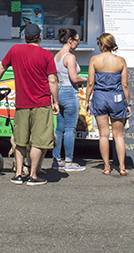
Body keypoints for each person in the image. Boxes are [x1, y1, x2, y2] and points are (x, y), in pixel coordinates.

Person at [0, 24, 59, 186]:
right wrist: (55, 101)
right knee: (38, 140)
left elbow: (1, 69)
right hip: (41, 103)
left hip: (21, 103)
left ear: (24, 37)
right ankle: (33, 176)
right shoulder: (46, 55)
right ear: (40, 37)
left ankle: (19, 174)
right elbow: (53, 80)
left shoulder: (15, 50)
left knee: (20, 140)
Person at [85, 33, 130, 176]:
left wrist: (87, 100)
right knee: (118, 135)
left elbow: (90, 82)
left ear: (102, 45)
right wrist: (127, 103)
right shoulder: (121, 61)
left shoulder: (95, 59)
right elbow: (125, 85)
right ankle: (122, 167)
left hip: (100, 97)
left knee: (103, 135)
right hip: (116, 98)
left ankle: (106, 166)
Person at [52, 28, 86, 172]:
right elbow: (74, 78)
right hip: (70, 92)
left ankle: (56, 160)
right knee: (70, 129)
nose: (78, 43)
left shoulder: (57, 56)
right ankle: (69, 161)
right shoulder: (70, 57)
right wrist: (86, 79)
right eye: (77, 40)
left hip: (59, 92)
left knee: (59, 129)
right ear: (70, 40)